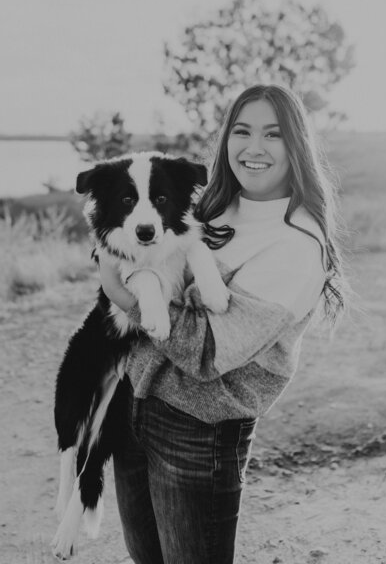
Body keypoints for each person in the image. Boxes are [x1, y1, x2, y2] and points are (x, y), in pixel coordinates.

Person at [99, 84, 348, 564]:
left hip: (198, 429)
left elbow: (209, 351)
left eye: (273, 135)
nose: (254, 148)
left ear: (296, 145)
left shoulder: (296, 242)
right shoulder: (210, 207)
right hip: (136, 403)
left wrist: (122, 294)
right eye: (242, 131)